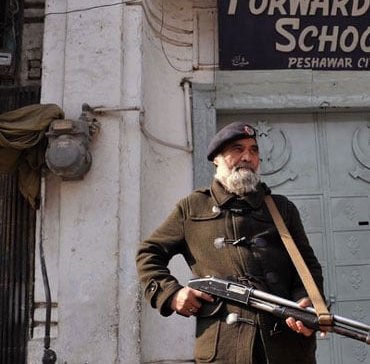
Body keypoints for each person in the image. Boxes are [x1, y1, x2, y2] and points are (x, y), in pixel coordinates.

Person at [136, 122, 324, 364]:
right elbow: (149, 253)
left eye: (254, 150)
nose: (248, 156)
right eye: (237, 149)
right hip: (222, 346)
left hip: (286, 347)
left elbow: (307, 266)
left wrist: (304, 303)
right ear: (216, 158)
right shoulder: (192, 207)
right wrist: (172, 294)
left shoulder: (281, 208)